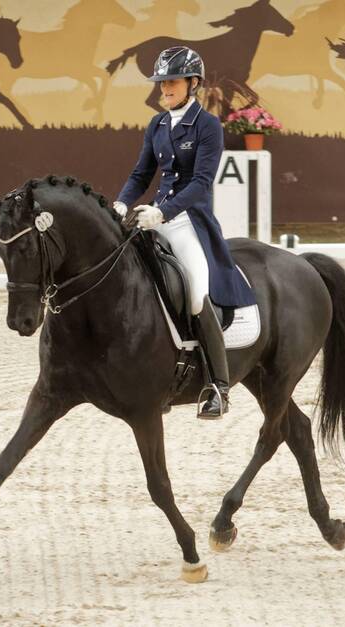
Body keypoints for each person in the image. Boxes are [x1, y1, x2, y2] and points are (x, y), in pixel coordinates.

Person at [114, 46, 256, 419]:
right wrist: (120, 204)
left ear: (193, 83)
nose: (165, 88)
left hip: (188, 220)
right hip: (152, 216)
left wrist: (162, 211)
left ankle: (218, 387)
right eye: (162, 82)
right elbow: (141, 175)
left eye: (172, 81)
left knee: (195, 292)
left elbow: (201, 182)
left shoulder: (207, 126)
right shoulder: (157, 125)